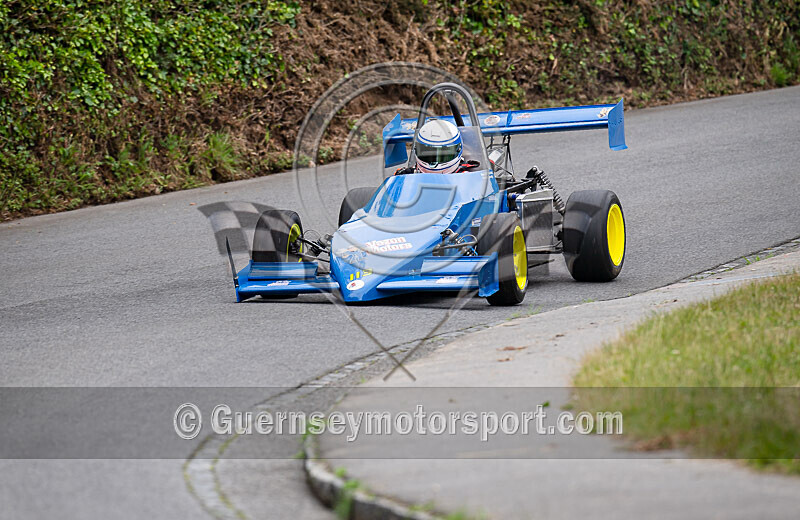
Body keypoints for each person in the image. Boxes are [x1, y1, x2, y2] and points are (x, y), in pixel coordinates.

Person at [394, 119, 480, 175]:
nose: (434, 163)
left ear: (458, 150)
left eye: (443, 155)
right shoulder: (406, 176)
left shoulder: (469, 178)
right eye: (428, 154)